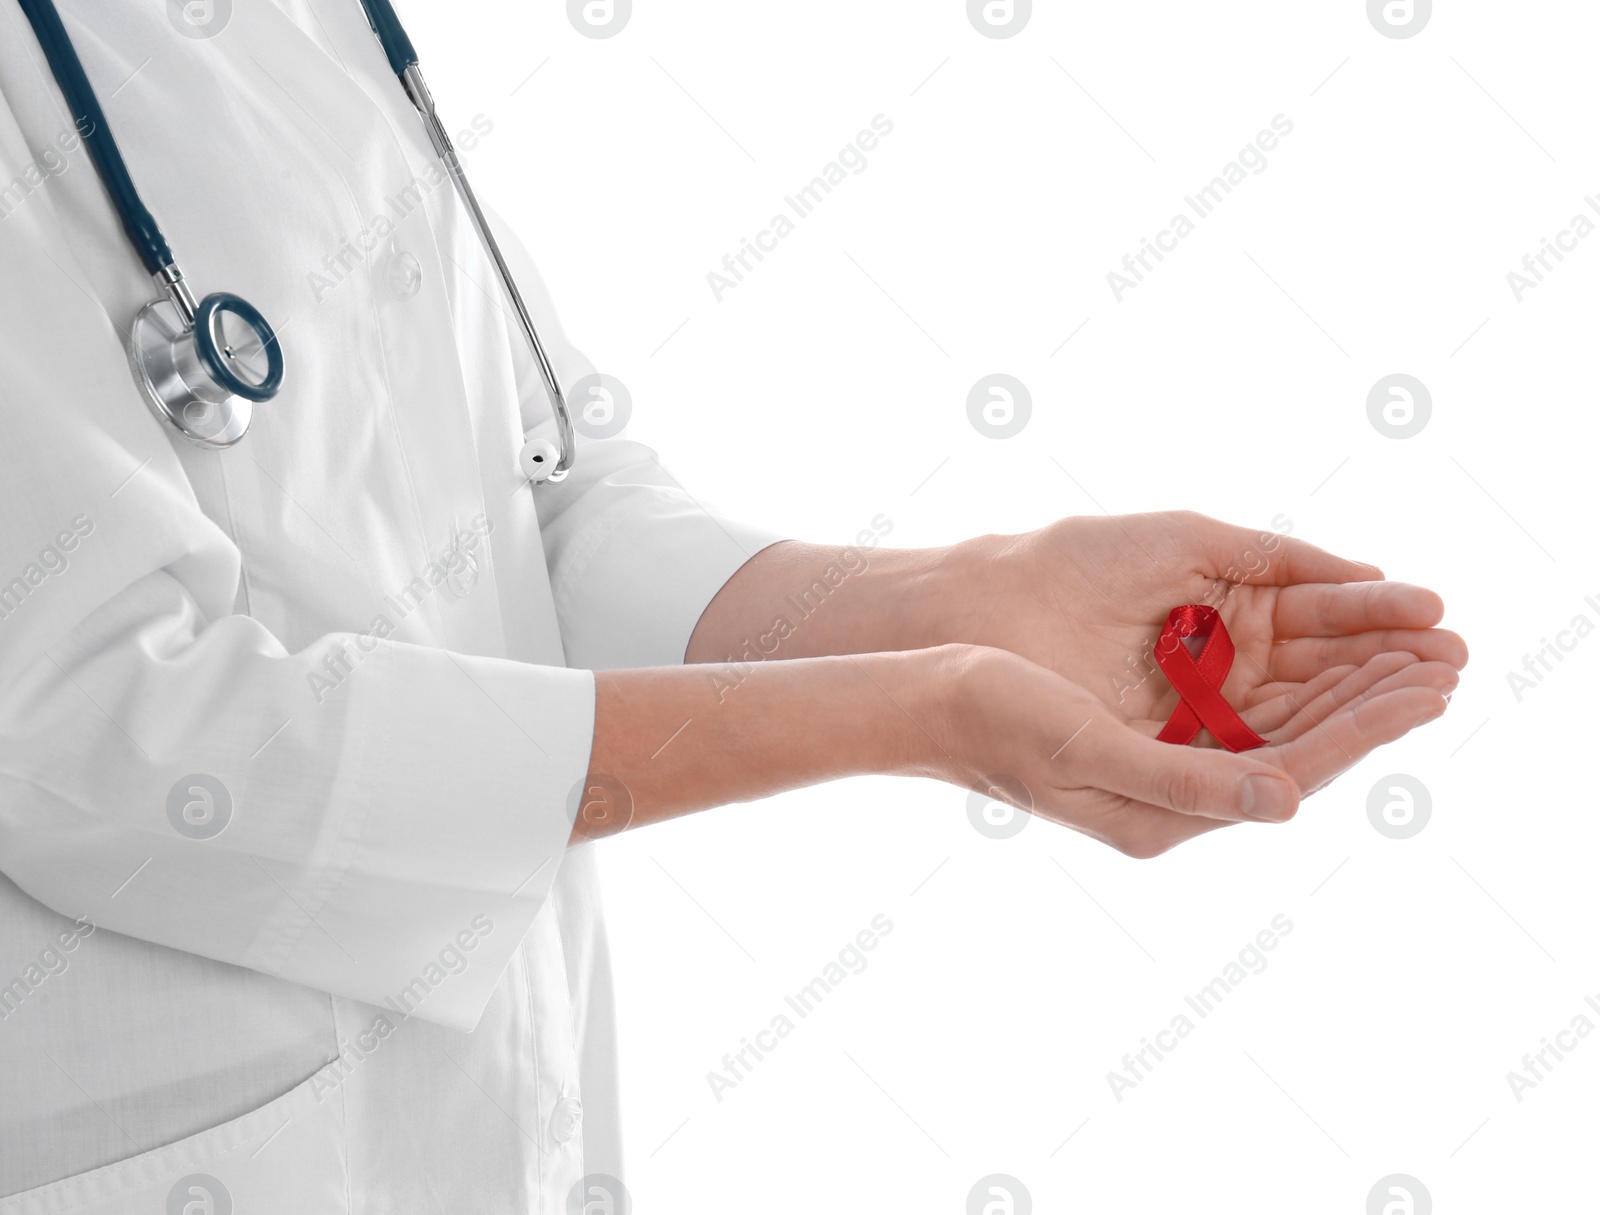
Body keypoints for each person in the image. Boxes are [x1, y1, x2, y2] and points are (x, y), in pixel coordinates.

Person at [0, 3, 1465, 1210]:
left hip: (490, 1113)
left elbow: (541, 494)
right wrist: (925, 706)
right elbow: (95, 736)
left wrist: (958, 599)